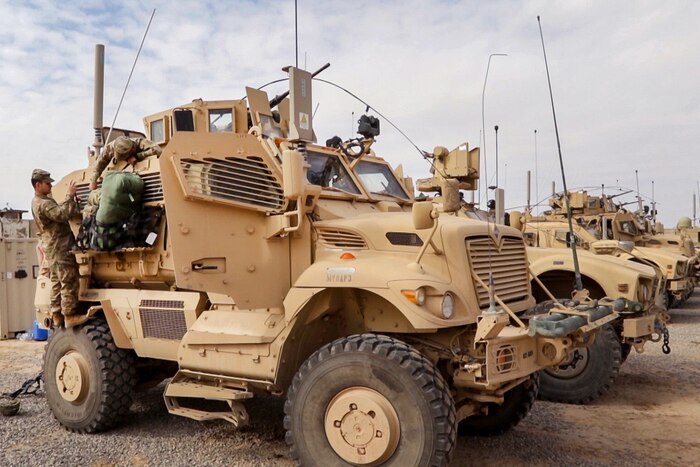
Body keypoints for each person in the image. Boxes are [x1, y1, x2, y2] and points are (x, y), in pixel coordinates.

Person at [31, 169, 80, 327]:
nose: (50, 185)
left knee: (56, 281)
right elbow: (61, 214)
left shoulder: (37, 201)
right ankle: (70, 316)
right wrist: (70, 196)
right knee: (68, 280)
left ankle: (57, 315)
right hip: (60, 246)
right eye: (47, 183)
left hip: (52, 247)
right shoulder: (44, 203)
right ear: (38, 185)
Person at [89, 135, 161, 190]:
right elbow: (100, 163)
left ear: (132, 149)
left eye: (124, 156)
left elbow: (158, 150)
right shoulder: (111, 147)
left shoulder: (140, 142)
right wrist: (94, 180)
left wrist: (138, 156)